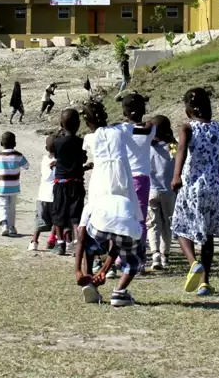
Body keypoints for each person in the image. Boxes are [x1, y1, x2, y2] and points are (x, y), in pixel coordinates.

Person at [75, 100, 143, 307]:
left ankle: (88, 277)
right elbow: (141, 127)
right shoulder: (121, 130)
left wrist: (78, 269)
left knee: (90, 234)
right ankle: (119, 290)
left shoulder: (89, 138)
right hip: (123, 188)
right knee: (125, 236)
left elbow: (81, 234)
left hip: (100, 186)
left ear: (87, 121)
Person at [171, 87, 219, 296]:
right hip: (213, 187)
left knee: (180, 227)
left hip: (191, 185)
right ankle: (205, 282)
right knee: (208, 235)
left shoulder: (187, 128)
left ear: (188, 109)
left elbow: (181, 150)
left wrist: (176, 175)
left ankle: (193, 262)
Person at [115, 93, 156, 268]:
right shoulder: (151, 129)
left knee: (121, 217)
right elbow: (148, 127)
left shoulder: (120, 129)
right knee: (140, 219)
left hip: (123, 177)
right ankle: (140, 258)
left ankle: (119, 256)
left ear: (124, 112)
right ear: (143, 110)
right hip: (142, 178)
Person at [51, 109, 88, 257]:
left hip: (60, 182)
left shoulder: (57, 142)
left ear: (61, 124)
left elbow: (57, 156)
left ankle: (60, 244)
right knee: (76, 215)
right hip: (77, 182)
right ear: (78, 124)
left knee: (58, 214)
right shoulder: (81, 142)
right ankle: (77, 243)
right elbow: (83, 159)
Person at [147, 115, 176, 271]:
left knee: (152, 224)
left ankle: (155, 254)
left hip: (151, 190)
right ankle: (165, 255)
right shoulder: (172, 147)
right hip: (169, 192)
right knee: (167, 224)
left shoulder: (148, 146)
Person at [0, 131, 29, 238]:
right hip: (14, 187)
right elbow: (26, 166)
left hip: (0, 187)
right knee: (12, 208)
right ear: (15, 144)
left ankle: (4, 225)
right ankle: (12, 227)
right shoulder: (18, 155)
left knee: (1, 206)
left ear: (1, 143)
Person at [29, 143, 56, 251]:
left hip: (42, 195)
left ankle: (34, 242)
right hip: (55, 195)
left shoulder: (44, 159)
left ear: (46, 148)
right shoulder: (61, 160)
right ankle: (51, 240)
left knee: (39, 219)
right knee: (56, 220)